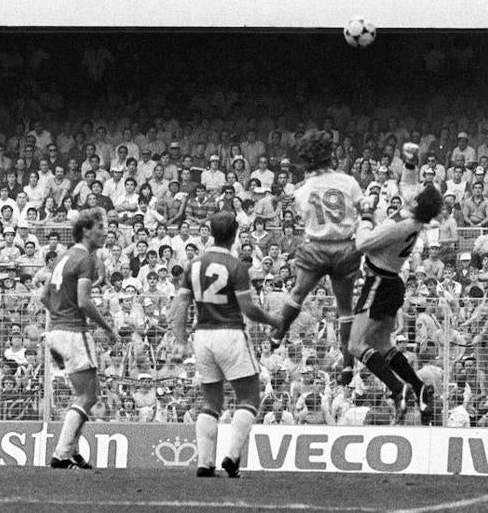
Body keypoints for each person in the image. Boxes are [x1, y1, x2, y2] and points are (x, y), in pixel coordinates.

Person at [172, 211, 281, 478]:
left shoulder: (194, 264)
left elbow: (181, 304)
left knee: (211, 400)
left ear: (210, 232)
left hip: (202, 335)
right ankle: (232, 456)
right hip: (230, 332)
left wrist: (179, 338)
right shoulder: (236, 266)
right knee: (249, 397)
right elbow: (248, 308)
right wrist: (272, 319)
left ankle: (204, 462)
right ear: (233, 235)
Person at [347, 183, 444, 423]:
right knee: (381, 345)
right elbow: (408, 184)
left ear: (417, 203)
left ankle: (397, 387)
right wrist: (410, 161)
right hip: (392, 283)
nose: (413, 189)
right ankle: (418, 386)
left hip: (378, 284)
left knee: (355, 345)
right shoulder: (413, 216)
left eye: (418, 193)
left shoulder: (403, 226)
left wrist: (366, 217)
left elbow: (362, 244)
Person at [271, 130, 364, 380]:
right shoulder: (348, 182)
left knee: (298, 292)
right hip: (345, 245)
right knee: (345, 308)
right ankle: (347, 364)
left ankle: (279, 331)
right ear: (330, 157)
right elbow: (364, 208)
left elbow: (305, 214)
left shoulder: (303, 189)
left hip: (316, 245)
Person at [39, 207, 118, 469]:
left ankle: (72, 451)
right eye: (100, 227)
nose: (104, 232)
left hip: (55, 332)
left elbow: (43, 297)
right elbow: (84, 302)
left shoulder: (64, 256)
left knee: (82, 395)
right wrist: (108, 328)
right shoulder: (85, 259)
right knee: (89, 395)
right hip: (74, 332)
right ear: (86, 230)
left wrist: (60, 315)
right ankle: (61, 454)